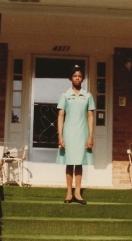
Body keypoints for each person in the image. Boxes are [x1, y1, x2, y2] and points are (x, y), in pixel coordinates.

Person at [56, 65, 95, 205]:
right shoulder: (65, 95)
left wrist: (90, 136)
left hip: (82, 133)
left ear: (82, 78)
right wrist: (60, 136)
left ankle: (78, 192)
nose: (77, 78)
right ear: (70, 78)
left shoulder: (87, 96)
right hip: (68, 133)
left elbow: (90, 116)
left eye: (79, 76)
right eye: (75, 76)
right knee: (69, 162)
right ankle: (68, 192)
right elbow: (61, 116)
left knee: (79, 162)